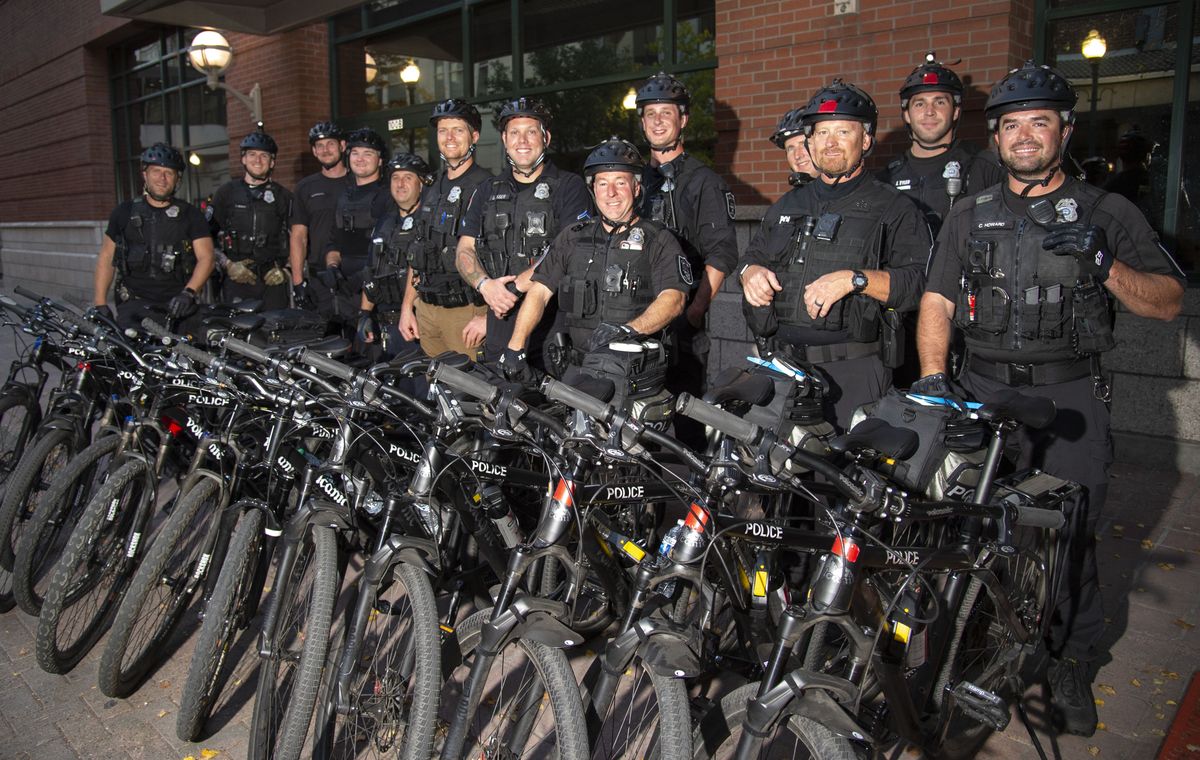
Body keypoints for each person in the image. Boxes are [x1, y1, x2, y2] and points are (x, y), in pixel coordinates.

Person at [913, 61, 1185, 737]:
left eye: (1040, 122)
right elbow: (939, 299)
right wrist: (934, 379)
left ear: (1064, 129)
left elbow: (1169, 302)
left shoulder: (1107, 211)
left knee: (1070, 538)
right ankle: (968, 647)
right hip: (979, 387)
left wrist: (1106, 265)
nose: (1025, 136)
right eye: (1012, 126)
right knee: (964, 525)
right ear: (996, 138)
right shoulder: (970, 214)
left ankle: (1070, 658)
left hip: (1067, 399)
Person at [738, 83, 930, 429]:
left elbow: (918, 284)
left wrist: (854, 280)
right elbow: (751, 257)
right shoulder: (788, 204)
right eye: (821, 132)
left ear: (866, 140)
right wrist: (750, 272)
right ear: (809, 142)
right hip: (785, 367)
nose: (830, 142)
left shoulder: (895, 208)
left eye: (843, 131)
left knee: (846, 478)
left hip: (853, 374)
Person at [500, 138, 688, 408]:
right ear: (593, 189)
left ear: (636, 188)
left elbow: (674, 299)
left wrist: (626, 331)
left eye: (620, 182)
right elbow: (539, 291)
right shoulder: (573, 237)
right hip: (576, 374)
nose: (611, 193)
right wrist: (515, 347)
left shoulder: (658, 240)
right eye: (602, 183)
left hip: (633, 377)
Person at [634, 72, 739, 446]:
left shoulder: (704, 181)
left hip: (681, 327)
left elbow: (723, 253)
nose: (658, 121)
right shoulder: (633, 179)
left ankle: (697, 502)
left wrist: (694, 313)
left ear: (683, 120)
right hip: (636, 315)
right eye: (650, 114)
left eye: (666, 113)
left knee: (687, 424)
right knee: (635, 426)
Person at [455, 97, 590, 373]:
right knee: (499, 411)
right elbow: (464, 250)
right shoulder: (486, 190)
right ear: (504, 139)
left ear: (546, 137)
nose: (523, 140)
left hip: (554, 330)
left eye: (531, 131)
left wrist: (514, 288)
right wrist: (484, 286)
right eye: (514, 133)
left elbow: (567, 251)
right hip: (499, 324)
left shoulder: (569, 186)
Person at [398, 100, 492, 358]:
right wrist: (408, 306)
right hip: (427, 310)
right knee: (437, 391)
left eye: (458, 130)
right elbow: (417, 251)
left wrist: (487, 317)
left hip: (466, 312)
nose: (449, 137)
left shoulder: (486, 186)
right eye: (442, 130)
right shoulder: (432, 188)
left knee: (469, 391)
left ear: (474, 136)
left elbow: (499, 258)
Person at [92, 142, 215, 330]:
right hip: (134, 305)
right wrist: (100, 303)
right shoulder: (124, 212)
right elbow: (107, 258)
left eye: (169, 173)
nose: (162, 178)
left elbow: (206, 258)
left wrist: (189, 293)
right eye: (156, 171)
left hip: (178, 305)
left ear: (177, 179)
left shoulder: (191, 215)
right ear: (145, 174)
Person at [881, 52, 1005, 236]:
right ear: (907, 114)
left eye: (939, 102)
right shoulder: (887, 176)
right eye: (919, 104)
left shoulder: (986, 167)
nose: (929, 112)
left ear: (955, 111)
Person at [357, 152, 432, 360]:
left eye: (408, 178)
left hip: (417, 326)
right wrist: (364, 315)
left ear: (421, 184)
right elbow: (371, 271)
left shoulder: (429, 223)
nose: (400, 184)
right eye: (395, 178)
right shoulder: (384, 223)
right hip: (386, 327)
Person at [210, 127, 293, 310]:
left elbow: (300, 239)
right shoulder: (226, 193)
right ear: (243, 159)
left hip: (273, 278)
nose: (257, 160)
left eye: (264, 156)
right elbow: (206, 238)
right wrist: (227, 265)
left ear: (272, 162)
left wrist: (287, 271)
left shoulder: (284, 196)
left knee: (275, 333)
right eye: (252, 155)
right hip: (236, 277)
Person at [324, 127, 392, 339]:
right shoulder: (345, 196)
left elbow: (386, 255)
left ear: (380, 160)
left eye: (368, 153)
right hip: (344, 296)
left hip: (375, 296)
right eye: (355, 153)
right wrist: (333, 268)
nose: (360, 159)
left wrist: (366, 308)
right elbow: (334, 242)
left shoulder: (388, 196)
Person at [290, 122, 351, 317]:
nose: (325, 150)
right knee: (323, 339)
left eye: (330, 144)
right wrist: (298, 281)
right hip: (319, 278)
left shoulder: (358, 181)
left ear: (342, 146)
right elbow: (299, 236)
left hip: (353, 274)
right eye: (319, 146)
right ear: (314, 151)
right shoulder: (304, 188)